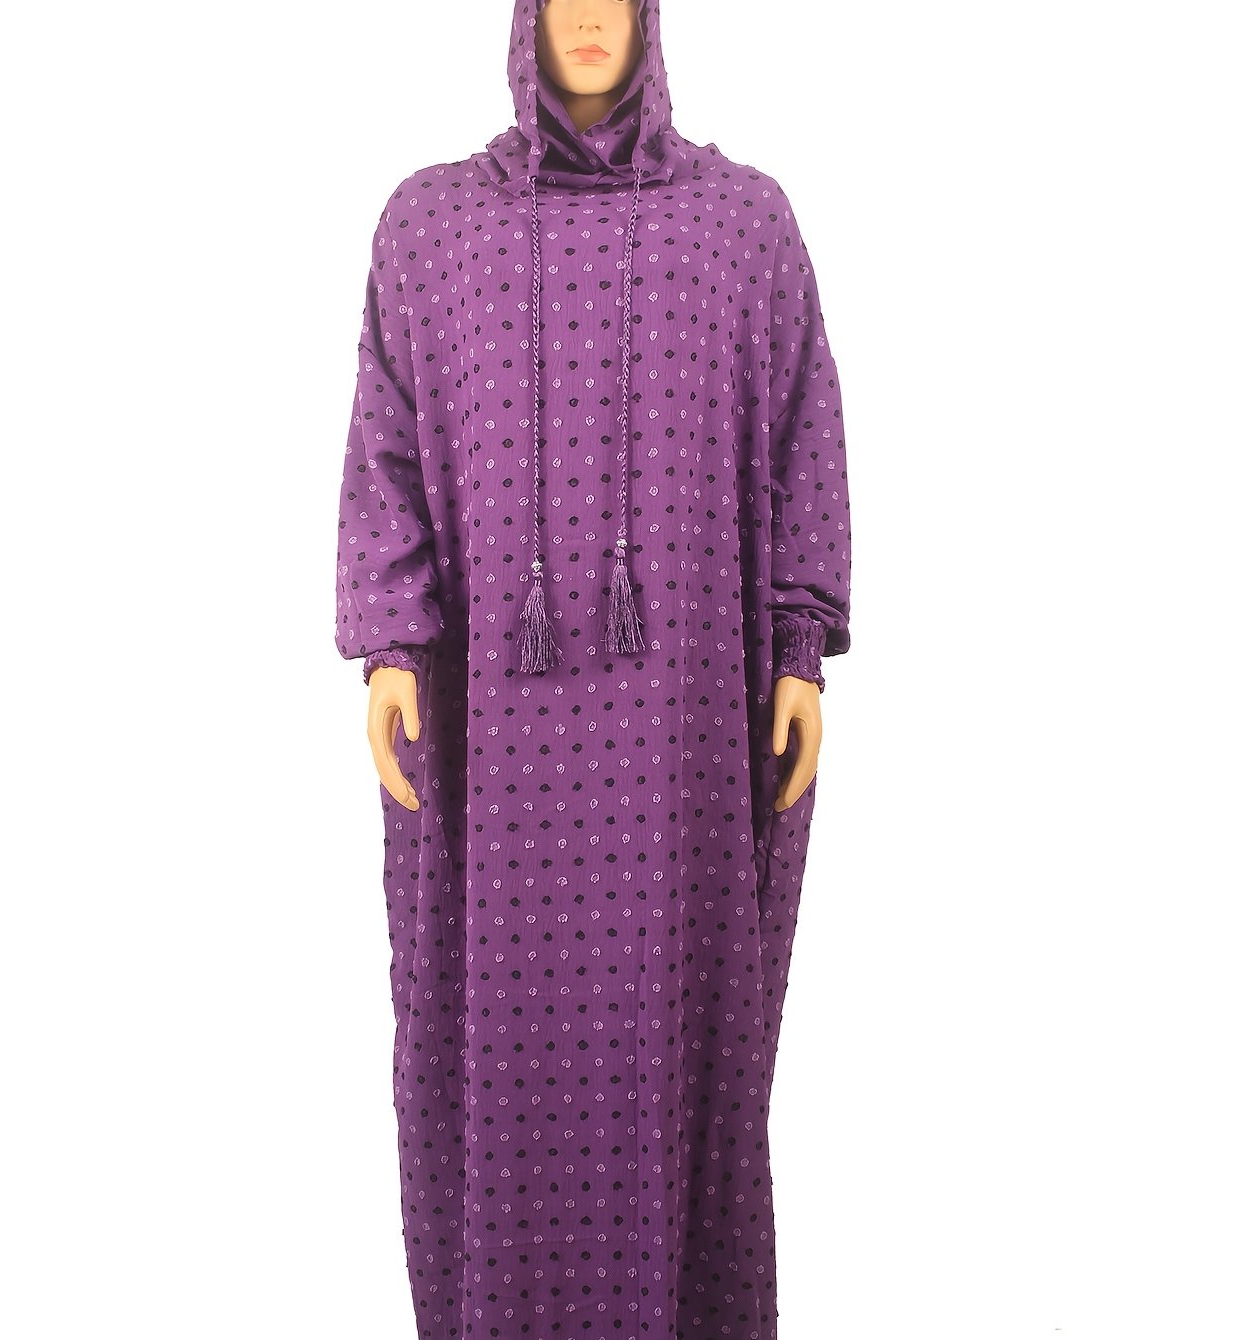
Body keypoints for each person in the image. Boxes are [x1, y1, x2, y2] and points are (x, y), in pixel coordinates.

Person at [334, 2, 852, 1336]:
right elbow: (386, 445)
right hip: (490, 758)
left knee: (683, 1045)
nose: (583, 14)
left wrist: (800, 648)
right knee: (494, 1056)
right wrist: (390, 643)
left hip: (683, 751)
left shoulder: (743, 226)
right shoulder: (430, 228)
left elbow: (804, 432)